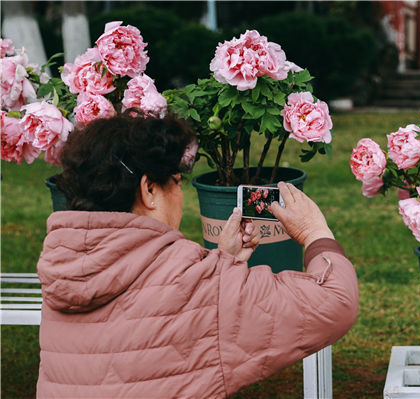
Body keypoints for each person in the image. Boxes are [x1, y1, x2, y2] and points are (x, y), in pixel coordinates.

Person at [36, 110, 359, 398]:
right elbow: (333, 305)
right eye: (176, 182)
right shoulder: (198, 285)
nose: (180, 195)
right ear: (149, 189)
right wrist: (315, 233)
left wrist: (222, 261)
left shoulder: (63, 270)